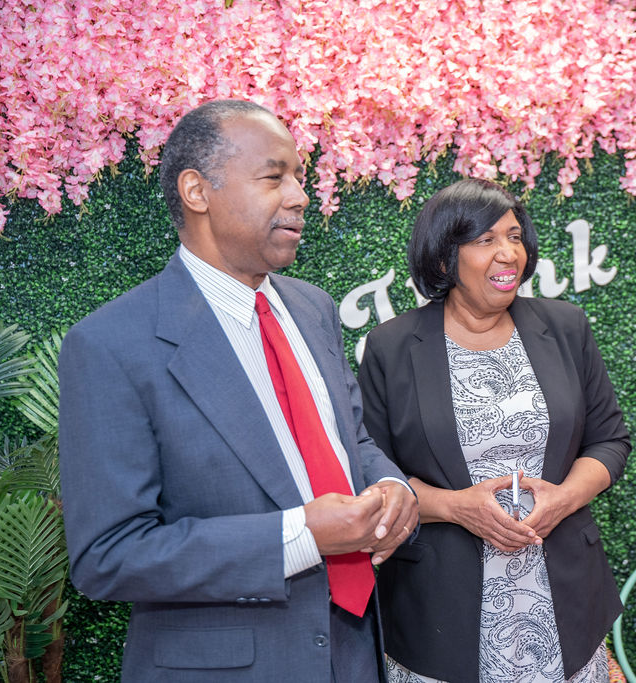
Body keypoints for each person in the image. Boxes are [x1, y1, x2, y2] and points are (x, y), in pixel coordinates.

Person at [58, 99, 418, 682]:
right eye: (274, 177)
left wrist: (390, 486)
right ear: (197, 191)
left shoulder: (313, 307)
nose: (300, 196)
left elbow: (349, 439)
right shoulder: (109, 345)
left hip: (356, 650)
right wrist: (300, 537)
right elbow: (109, 555)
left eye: (299, 176)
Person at [357, 178, 631, 683]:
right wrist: (454, 507)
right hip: (439, 608)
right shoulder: (391, 347)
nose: (509, 253)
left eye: (514, 236)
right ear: (444, 260)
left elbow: (610, 440)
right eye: (486, 240)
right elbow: (370, 472)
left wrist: (565, 498)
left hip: (564, 596)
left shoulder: (565, 326)